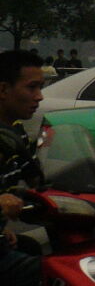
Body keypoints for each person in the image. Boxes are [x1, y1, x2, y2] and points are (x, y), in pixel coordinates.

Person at [0, 49, 46, 286]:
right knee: (50, 271)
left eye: (41, 88)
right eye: (32, 88)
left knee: (30, 247)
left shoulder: (15, 133)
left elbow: (35, 178)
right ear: (4, 90)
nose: (39, 97)